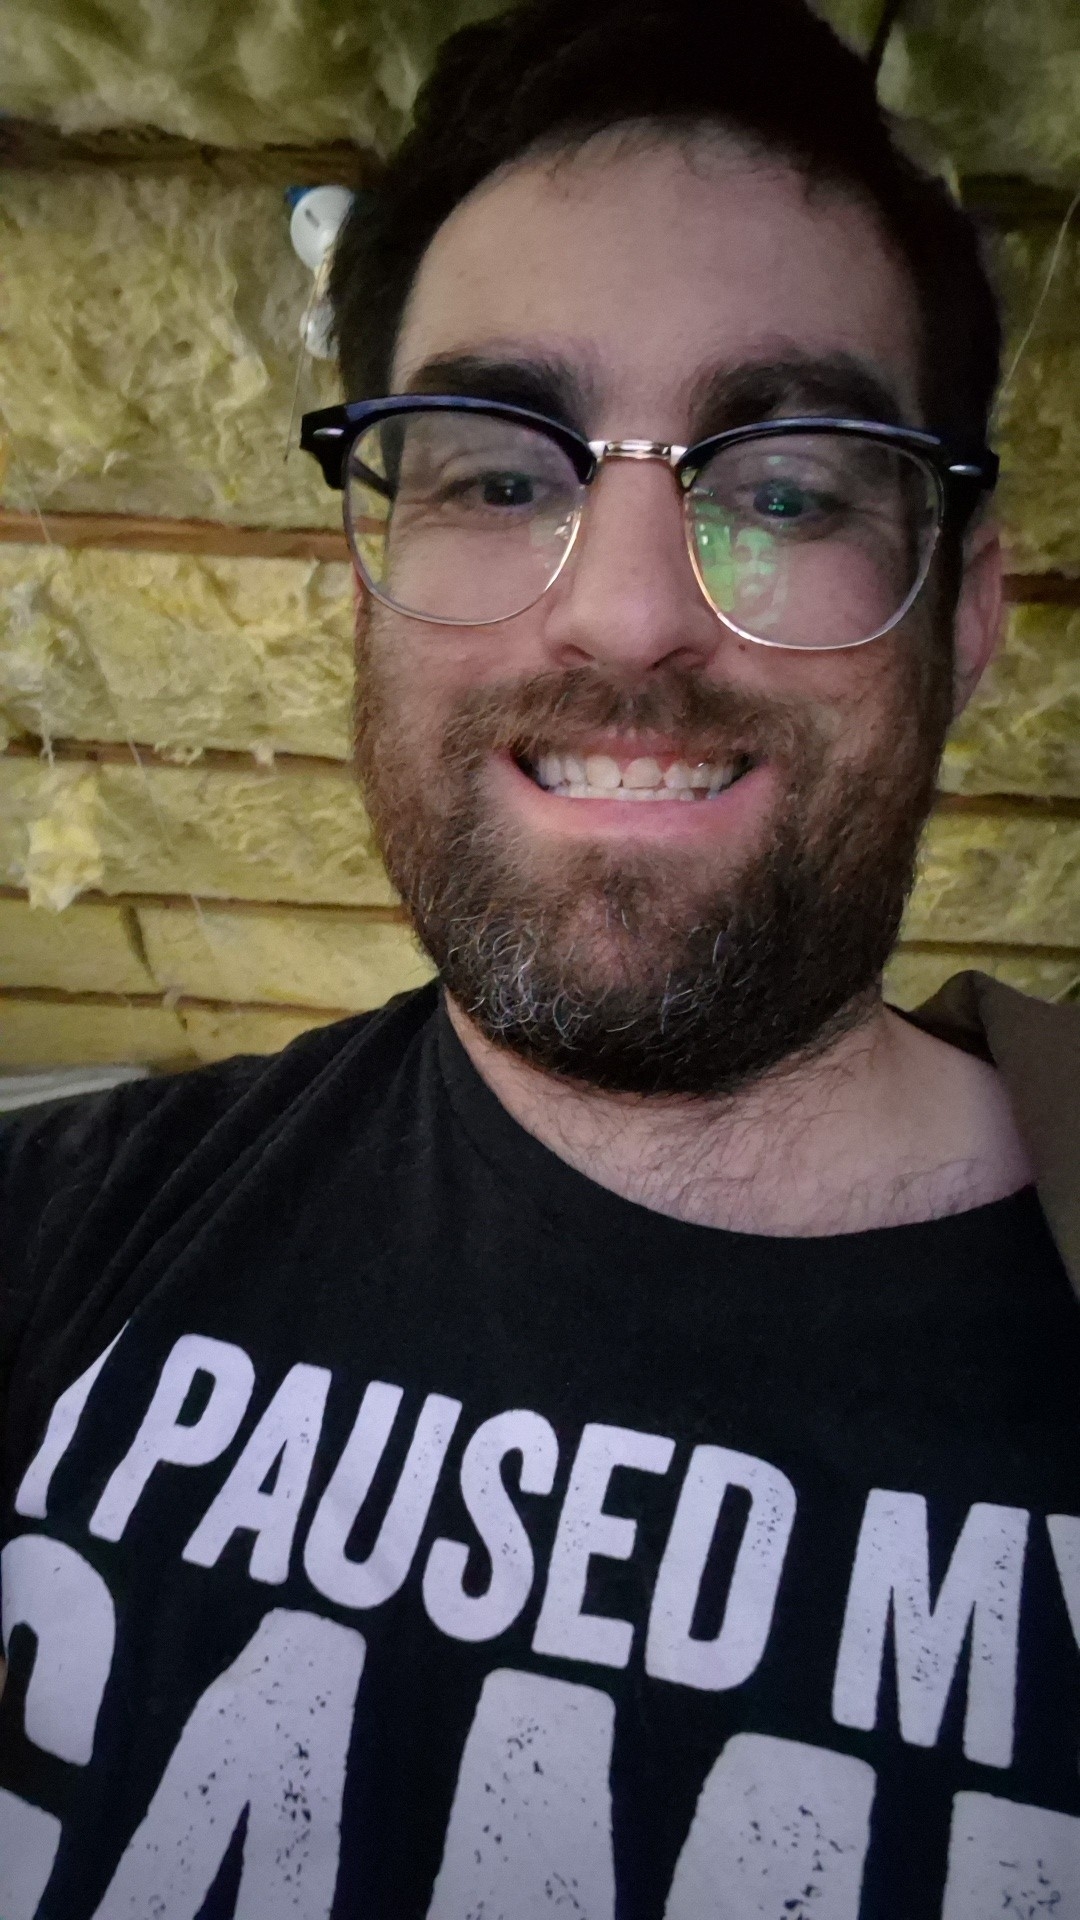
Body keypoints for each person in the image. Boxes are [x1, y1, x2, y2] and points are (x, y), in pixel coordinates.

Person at [2, 0, 1079, 1913]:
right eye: (503, 478)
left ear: (967, 613)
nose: (632, 613)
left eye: (787, 484)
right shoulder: (48, 1236)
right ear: (368, 584)